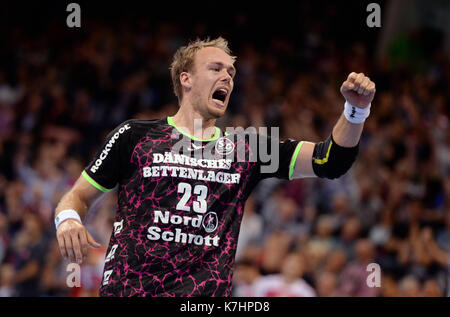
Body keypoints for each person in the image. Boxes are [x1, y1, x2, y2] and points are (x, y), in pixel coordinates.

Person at [54, 37, 376, 296]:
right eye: (216, 68)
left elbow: (329, 160)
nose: (227, 77)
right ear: (187, 79)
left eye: (231, 73)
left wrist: (355, 112)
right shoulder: (135, 135)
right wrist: (68, 219)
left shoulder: (247, 148)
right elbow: (78, 196)